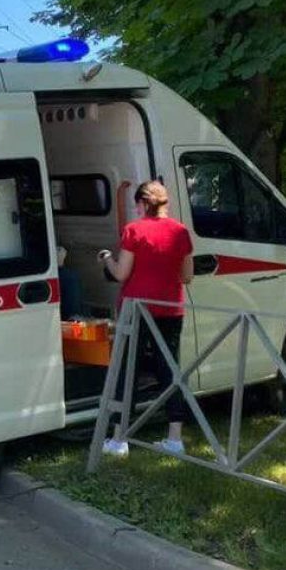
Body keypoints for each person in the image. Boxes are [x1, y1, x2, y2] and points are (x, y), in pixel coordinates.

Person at [98, 180, 194, 456]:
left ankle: (119, 439)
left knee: (128, 371)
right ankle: (175, 439)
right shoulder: (180, 232)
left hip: (136, 310)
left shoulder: (134, 230)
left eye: (136, 205)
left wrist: (106, 258)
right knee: (170, 371)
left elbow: (120, 274)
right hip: (170, 309)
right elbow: (187, 276)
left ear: (142, 204)